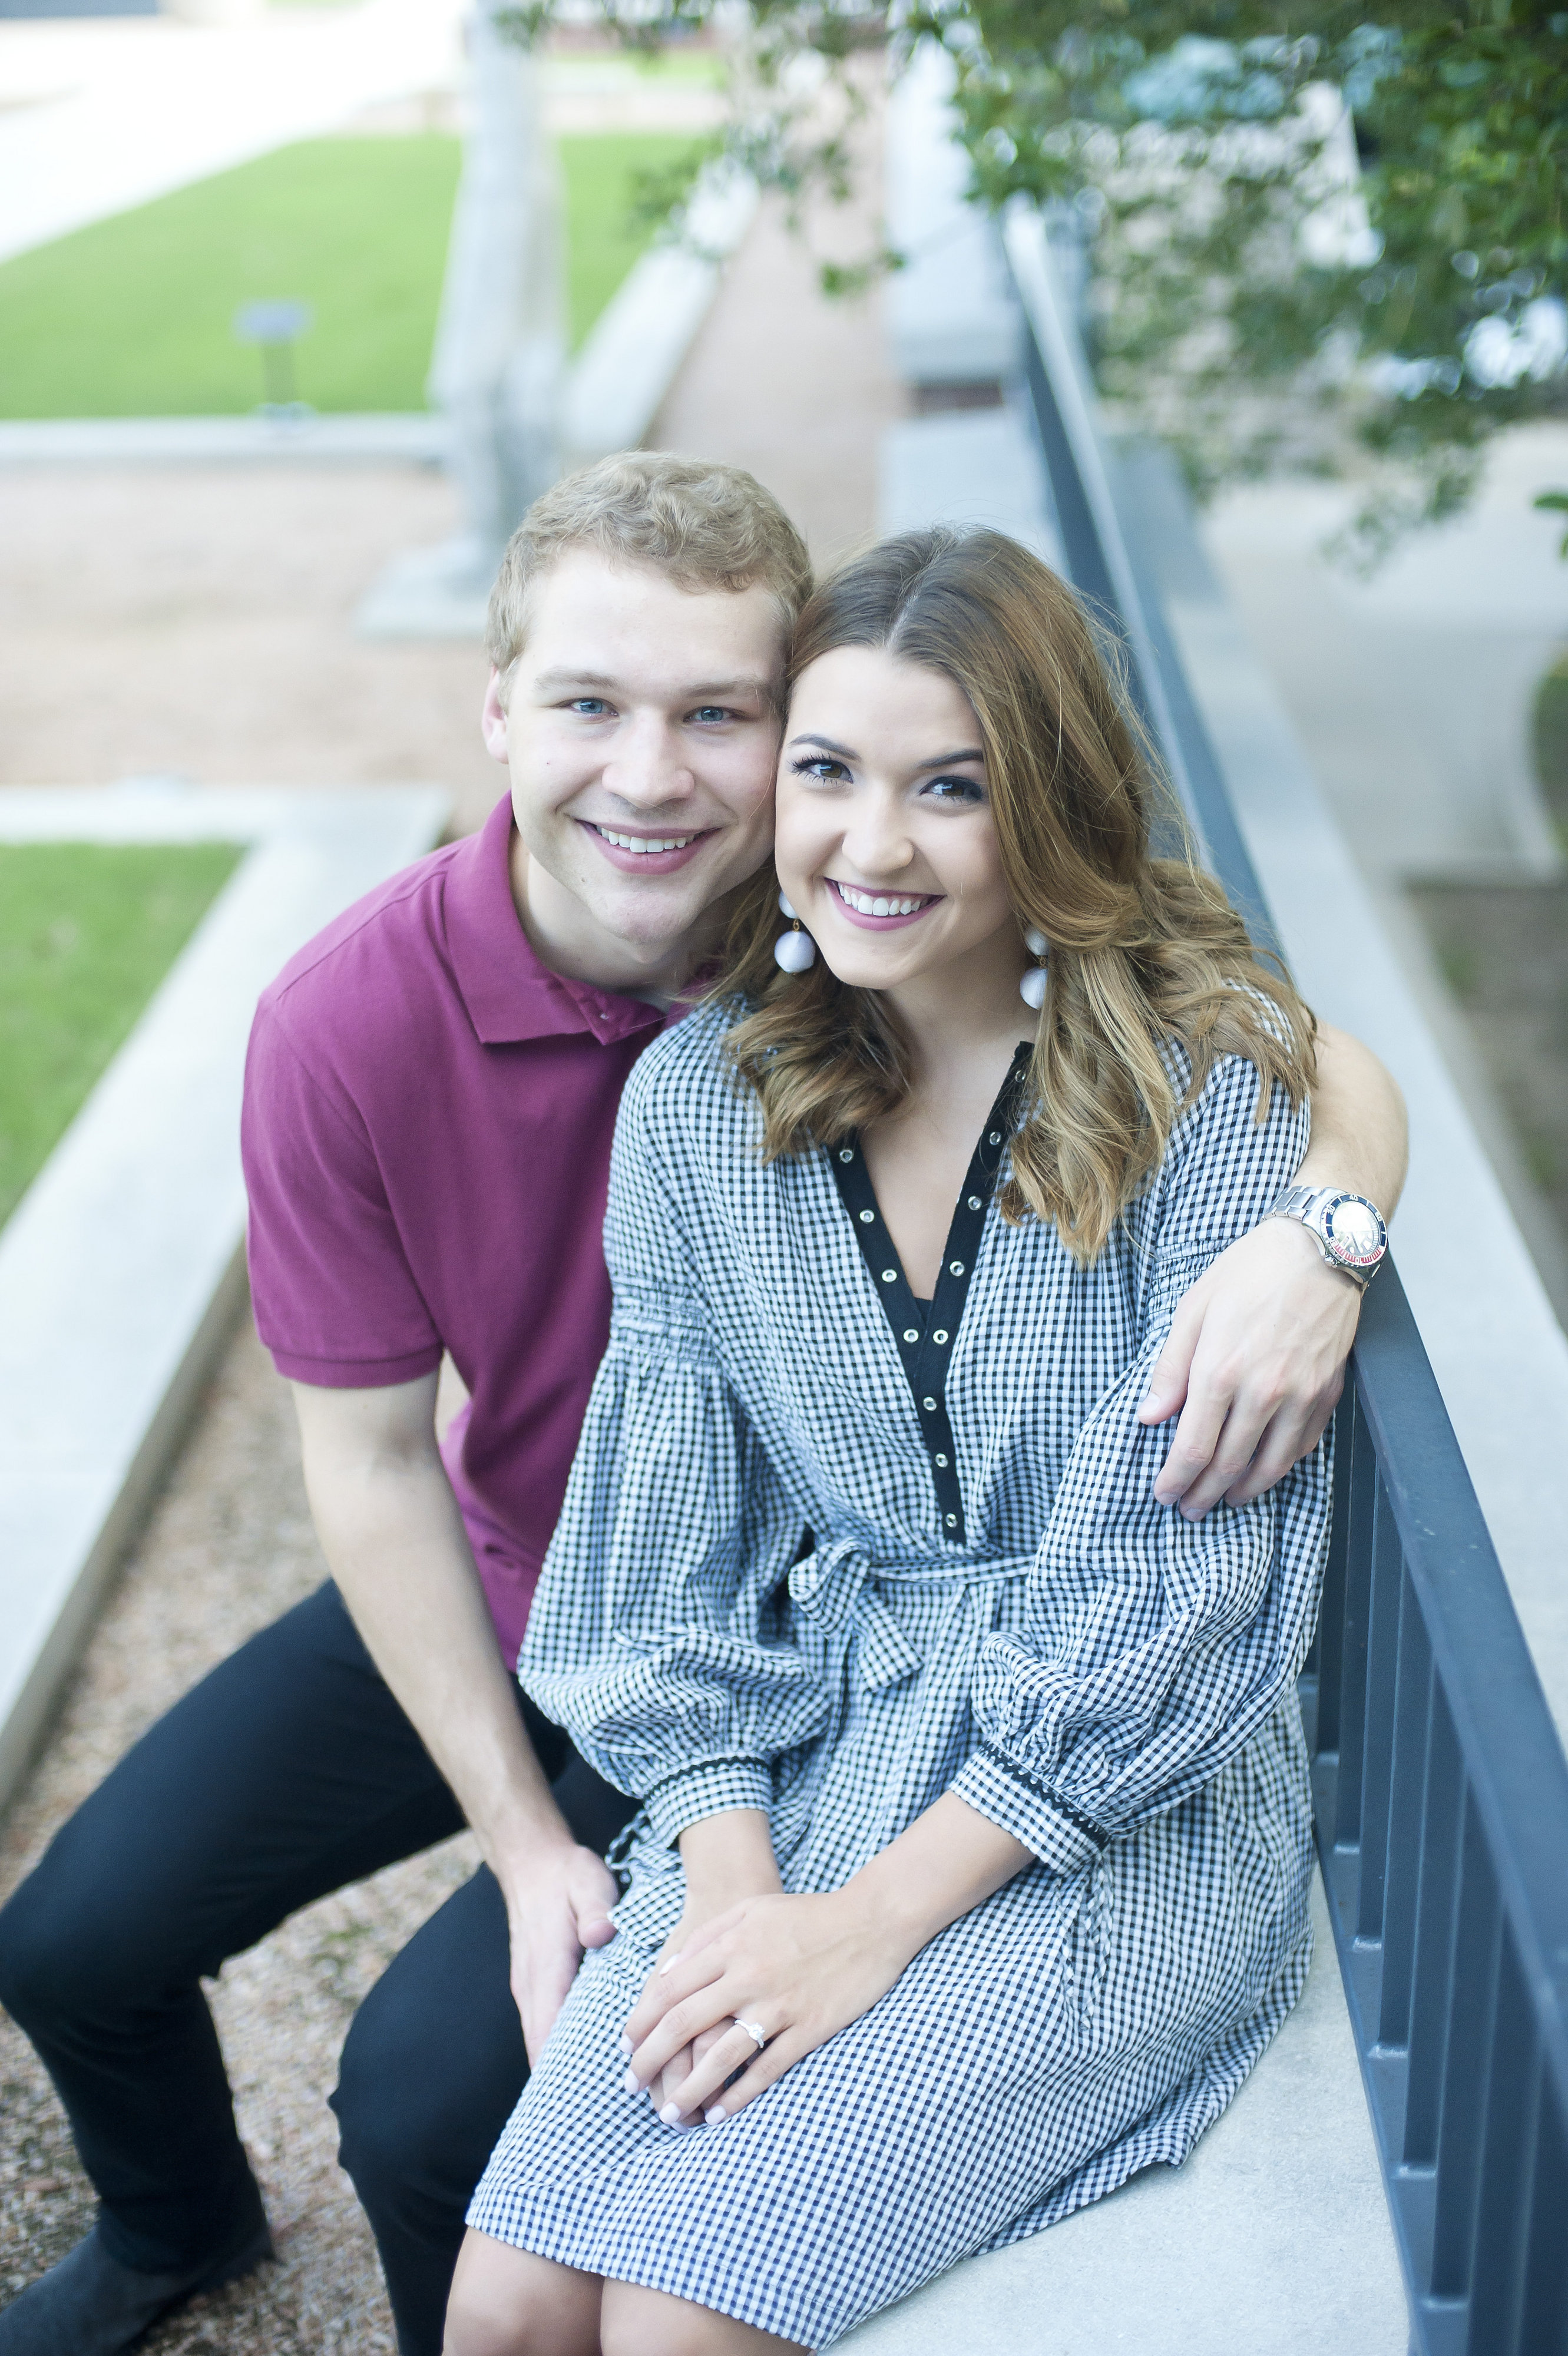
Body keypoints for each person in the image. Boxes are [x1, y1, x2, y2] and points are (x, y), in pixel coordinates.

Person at [0, 460, 1404, 2356]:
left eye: (721, 723)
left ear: (774, 727)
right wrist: (539, 1847)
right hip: (572, 1600)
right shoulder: (419, 1032)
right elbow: (376, 1469)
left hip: (923, 1689)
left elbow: (1262, 1035)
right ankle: (175, 2228)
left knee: (477, 2154)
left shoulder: (861, 934)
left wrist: (1326, 1223)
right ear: (496, 705)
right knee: (90, 1953)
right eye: (590, 704)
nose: (655, 781)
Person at [445, 525, 1349, 2355]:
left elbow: (1178, 1608)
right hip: (818, 1761)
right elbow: (655, 1575)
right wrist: (742, 1889)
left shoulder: (1197, 1101)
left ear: (1055, 805)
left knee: (678, 2321)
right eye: (829, 773)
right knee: (512, 2304)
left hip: (1110, 1821)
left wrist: (865, 1930)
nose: (873, 844)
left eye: (955, 788)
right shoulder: (704, 1105)